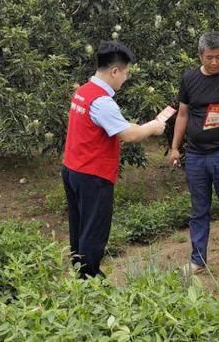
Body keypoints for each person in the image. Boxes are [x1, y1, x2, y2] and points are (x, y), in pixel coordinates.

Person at [62, 40, 166, 279]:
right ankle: (89, 279)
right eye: (126, 73)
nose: (126, 79)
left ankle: (79, 272)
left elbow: (112, 125)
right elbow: (128, 134)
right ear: (114, 71)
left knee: (78, 225)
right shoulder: (102, 101)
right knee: (94, 229)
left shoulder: (83, 91)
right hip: (92, 175)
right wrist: (153, 126)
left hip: (72, 169)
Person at [168, 31, 219, 285]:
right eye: (209, 58)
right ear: (200, 55)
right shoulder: (190, 78)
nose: (214, 62)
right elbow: (182, 115)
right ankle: (197, 261)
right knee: (198, 211)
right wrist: (175, 148)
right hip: (196, 156)